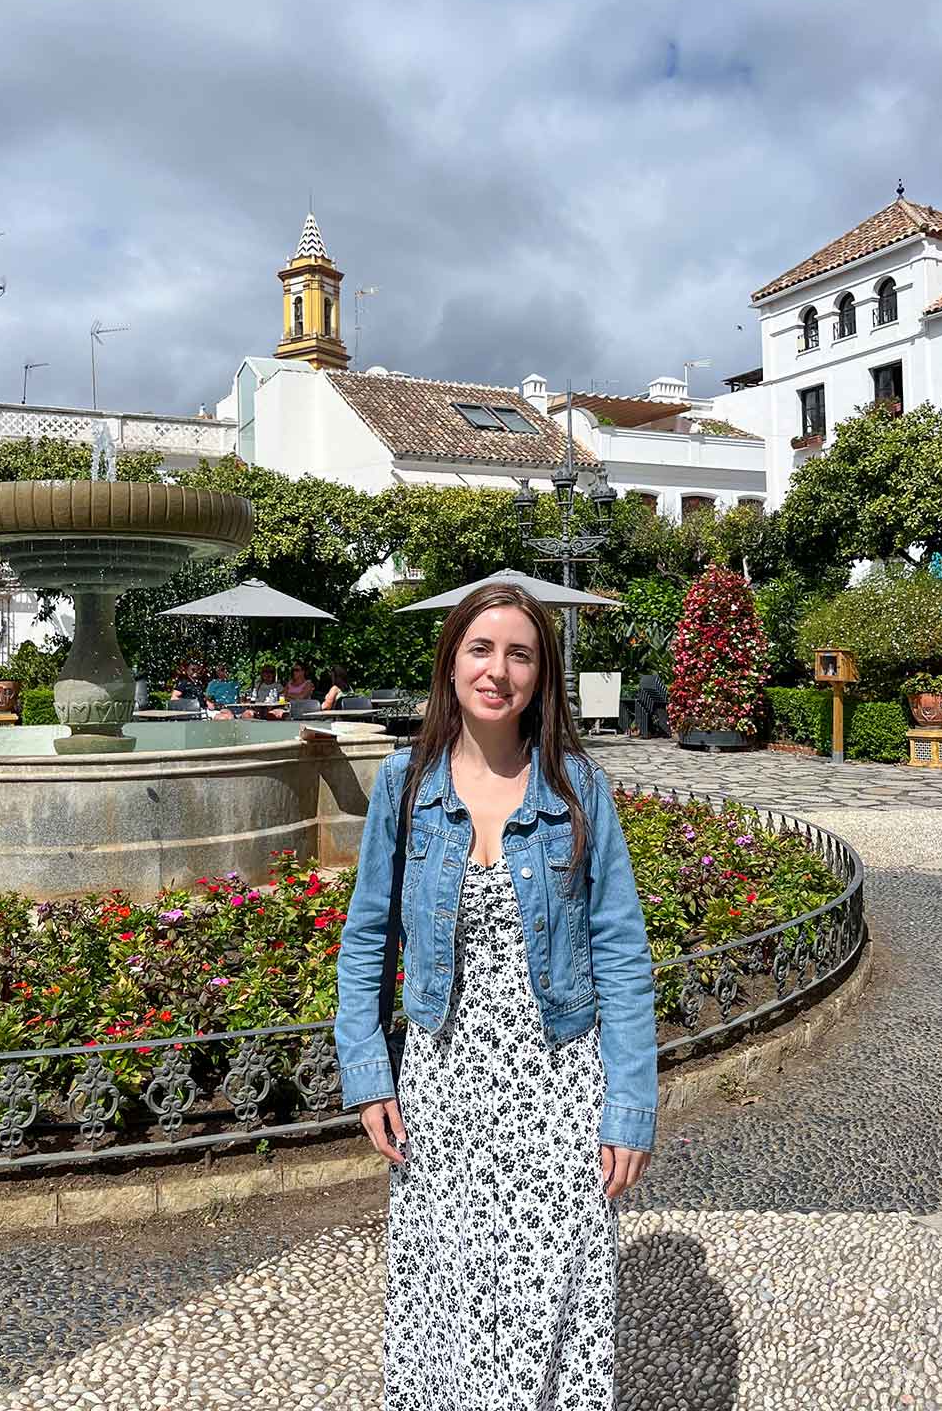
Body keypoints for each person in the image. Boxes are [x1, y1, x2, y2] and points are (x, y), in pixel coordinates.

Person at [335, 582, 657, 1409]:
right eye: (481, 649)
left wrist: (629, 1107)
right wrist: (370, 1069)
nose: (498, 670)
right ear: (450, 664)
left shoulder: (579, 788)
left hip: (557, 1082)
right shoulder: (405, 786)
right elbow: (367, 934)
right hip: (443, 1082)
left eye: (520, 653)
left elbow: (621, 952)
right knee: (451, 1300)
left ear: (541, 676)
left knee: (553, 1295)